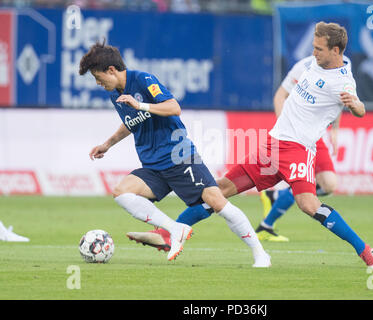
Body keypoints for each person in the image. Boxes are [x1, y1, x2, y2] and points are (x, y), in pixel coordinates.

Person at [128, 22, 373, 270]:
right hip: (273, 146)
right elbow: (283, 93)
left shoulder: (343, 80)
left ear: (336, 51)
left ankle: (366, 253)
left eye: (319, 49)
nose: (313, 52)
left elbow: (360, 109)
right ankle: (166, 233)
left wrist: (355, 105)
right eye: (313, 46)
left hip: (298, 150)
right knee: (217, 190)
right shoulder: (312, 64)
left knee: (308, 205)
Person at [80, 41, 271, 267]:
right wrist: (108, 144)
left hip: (178, 156)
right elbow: (131, 123)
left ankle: (260, 254)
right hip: (153, 164)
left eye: (97, 76)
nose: (98, 83)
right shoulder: (116, 94)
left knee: (217, 201)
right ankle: (175, 228)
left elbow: (173, 107)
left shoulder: (143, 80)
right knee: (122, 192)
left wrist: (141, 105)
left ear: (111, 69)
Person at [256, 54, 352, 242]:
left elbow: (339, 99)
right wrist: (286, 131)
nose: (317, 51)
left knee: (329, 185)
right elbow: (279, 96)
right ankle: (266, 225)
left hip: (315, 135)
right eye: (316, 47)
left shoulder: (344, 65)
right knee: (307, 194)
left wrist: (335, 130)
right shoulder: (303, 67)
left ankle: (276, 196)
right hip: (295, 135)